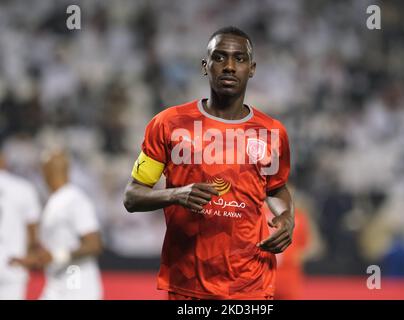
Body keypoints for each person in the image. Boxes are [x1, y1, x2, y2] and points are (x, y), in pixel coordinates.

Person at [124, 26, 294, 300]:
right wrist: (176, 194)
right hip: (188, 283)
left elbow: (275, 188)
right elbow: (132, 196)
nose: (229, 66)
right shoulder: (168, 124)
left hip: (251, 285)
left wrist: (287, 218)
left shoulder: (273, 133)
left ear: (251, 68)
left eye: (239, 59)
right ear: (205, 66)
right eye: (219, 57)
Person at [11, 150, 103, 300]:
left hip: (76, 283)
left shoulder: (75, 199)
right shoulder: (55, 202)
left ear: (45, 172)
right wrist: (35, 259)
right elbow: (54, 248)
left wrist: (55, 256)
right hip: (58, 282)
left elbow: (94, 244)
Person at [0, 138, 41, 300]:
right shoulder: (23, 188)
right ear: (4, 160)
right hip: (13, 265)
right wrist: (31, 257)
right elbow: (32, 231)